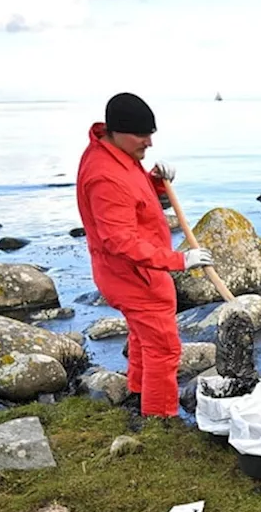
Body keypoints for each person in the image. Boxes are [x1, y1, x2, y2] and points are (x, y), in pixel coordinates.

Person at [76, 92, 214, 418]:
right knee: (164, 348)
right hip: (131, 275)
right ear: (117, 130)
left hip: (133, 272)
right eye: (141, 135)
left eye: (151, 133)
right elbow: (119, 240)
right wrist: (180, 260)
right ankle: (160, 419)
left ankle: (139, 394)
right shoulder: (104, 175)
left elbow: (133, 201)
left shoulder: (115, 154)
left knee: (143, 338)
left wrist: (156, 183)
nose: (149, 142)